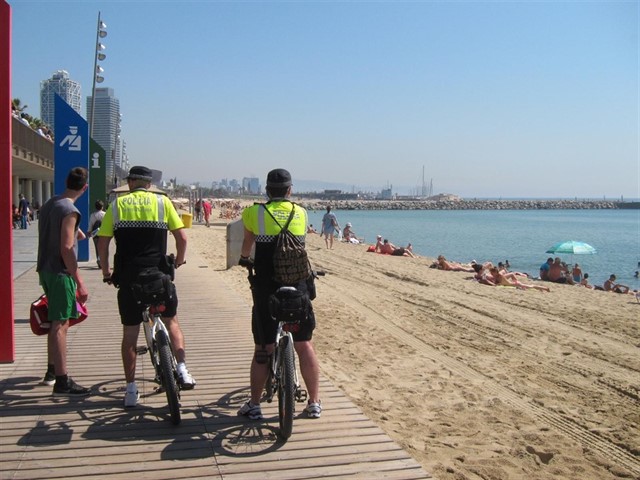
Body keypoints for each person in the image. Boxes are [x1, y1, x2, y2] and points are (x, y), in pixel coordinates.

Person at [98, 165, 195, 408]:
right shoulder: (163, 204)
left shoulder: (117, 206)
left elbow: (103, 241)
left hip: (129, 278)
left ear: (130, 182)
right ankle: (182, 369)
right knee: (171, 321)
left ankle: (131, 390)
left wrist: (106, 271)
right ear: (149, 184)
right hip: (159, 275)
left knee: (130, 334)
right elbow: (182, 237)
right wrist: (180, 260)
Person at [238, 168, 321, 420]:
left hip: (266, 288)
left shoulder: (254, 212)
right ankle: (314, 402)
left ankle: (254, 405)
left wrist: (244, 258)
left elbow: (248, 241)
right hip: (298, 287)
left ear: (266, 190)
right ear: (289, 190)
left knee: (264, 347)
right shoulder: (301, 212)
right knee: (304, 344)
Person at [37, 167, 91, 396]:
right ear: (85, 188)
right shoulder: (70, 210)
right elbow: (67, 248)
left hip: (45, 269)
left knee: (54, 321)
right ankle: (62, 380)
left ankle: (52, 371)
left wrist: (78, 232)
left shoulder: (51, 203)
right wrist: (79, 281)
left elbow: (62, 233)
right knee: (61, 325)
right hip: (61, 273)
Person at [88, 200, 106, 268]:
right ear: (102, 207)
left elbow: (90, 224)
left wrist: (89, 232)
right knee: (104, 248)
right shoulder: (105, 214)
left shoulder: (92, 215)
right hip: (103, 233)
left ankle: (98, 260)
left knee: (97, 247)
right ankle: (102, 261)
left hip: (95, 234)